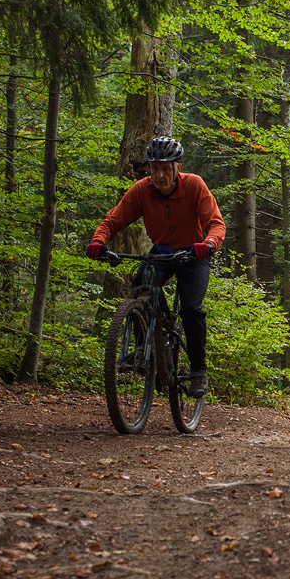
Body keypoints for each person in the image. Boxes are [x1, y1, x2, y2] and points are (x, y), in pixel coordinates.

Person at [86, 136, 226, 398]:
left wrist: (209, 243)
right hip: (162, 251)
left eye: (165, 168)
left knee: (191, 308)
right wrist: (98, 241)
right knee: (140, 290)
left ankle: (198, 369)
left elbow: (216, 223)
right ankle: (143, 349)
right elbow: (113, 220)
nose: (159, 175)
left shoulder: (194, 185)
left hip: (194, 253)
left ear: (177, 167)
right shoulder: (142, 190)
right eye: (154, 169)